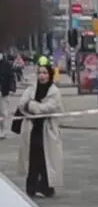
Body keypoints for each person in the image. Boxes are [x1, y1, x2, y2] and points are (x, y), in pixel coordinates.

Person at [13, 62, 64, 198]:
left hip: (47, 131)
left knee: (46, 159)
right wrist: (31, 106)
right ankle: (31, 187)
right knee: (32, 158)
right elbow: (22, 104)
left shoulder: (54, 92)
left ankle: (46, 187)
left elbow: (46, 108)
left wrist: (32, 105)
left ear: (50, 75)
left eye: (45, 73)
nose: (42, 76)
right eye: (40, 73)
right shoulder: (31, 89)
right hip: (32, 129)